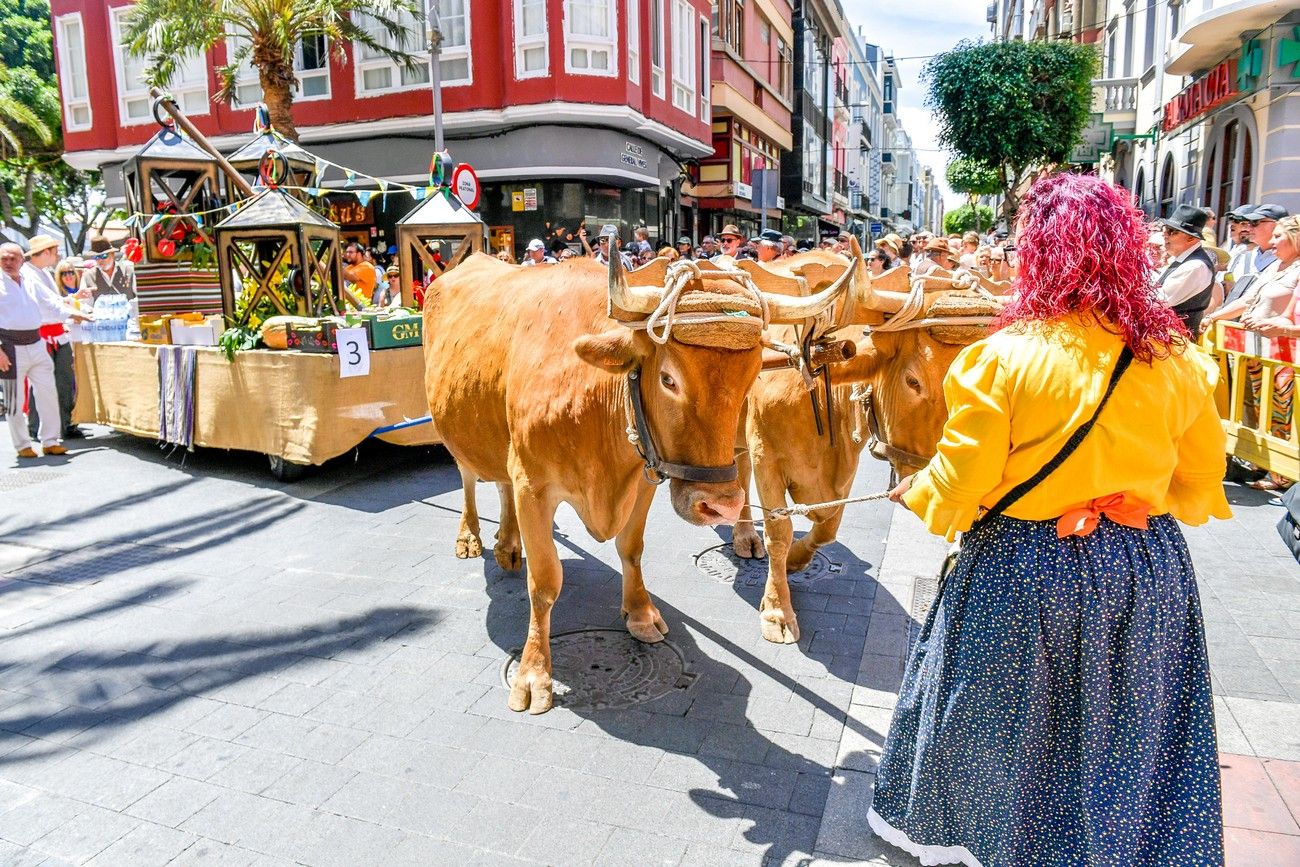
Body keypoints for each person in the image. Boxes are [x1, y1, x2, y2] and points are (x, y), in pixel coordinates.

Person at [875, 173, 1228, 865]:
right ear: (1131, 253)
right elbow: (1198, 486)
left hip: (1023, 565)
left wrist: (918, 492)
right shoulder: (1181, 362)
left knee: (1001, 723)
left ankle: (996, 841)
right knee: (1128, 724)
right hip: (1141, 567)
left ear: (1035, 255)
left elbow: (961, 487)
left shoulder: (1001, 358)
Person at [1, 243, 92, 458]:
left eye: (13, 258)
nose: (8, 262)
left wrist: (75, 314)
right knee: (14, 398)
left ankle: (50, 440)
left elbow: (52, 304)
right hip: (9, 346)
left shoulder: (30, 281)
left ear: (22, 260)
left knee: (48, 393)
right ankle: (22, 445)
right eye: (4, 258)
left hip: (36, 342)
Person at [22, 235, 81, 440]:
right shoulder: (27, 275)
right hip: (40, 335)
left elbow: (55, 301)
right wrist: (74, 312)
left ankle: (65, 424)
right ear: (45, 252)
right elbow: (46, 305)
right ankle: (35, 427)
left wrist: (71, 301)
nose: (57, 256)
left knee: (64, 381)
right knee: (41, 384)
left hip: (57, 333)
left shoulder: (44, 273)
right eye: (55, 251)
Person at [1153, 204, 1216, 333]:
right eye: (1165, 229)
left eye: (1171, 231)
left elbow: (1156, 302)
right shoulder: (1182, 261)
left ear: (1191, 238)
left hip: (1175, 344)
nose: (1165, 235)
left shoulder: (1195, 266)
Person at [79, 235, 135, 301]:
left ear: (112, 255)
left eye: (103, 256)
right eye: (96, 257)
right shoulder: (88, 276)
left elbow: (139, 297)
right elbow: (84, 304)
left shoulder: (128, 271)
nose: (100, 260)